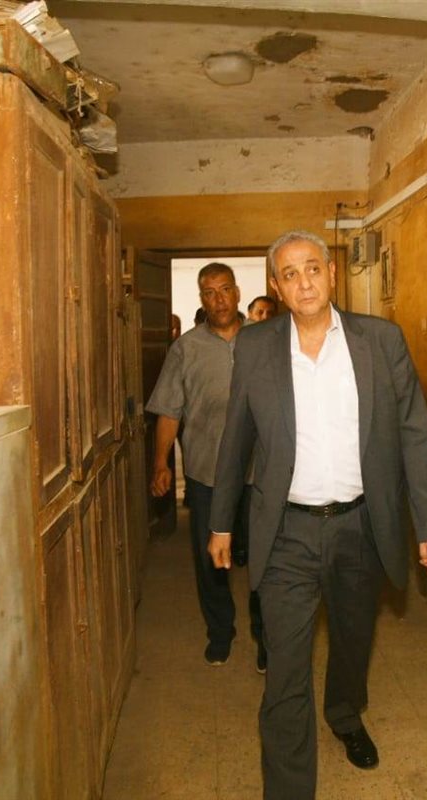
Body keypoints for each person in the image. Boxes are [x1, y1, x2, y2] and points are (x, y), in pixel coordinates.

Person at [208, 231, 427, 799]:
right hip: (285, 531)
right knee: (285, 668)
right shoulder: (256, 346)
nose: (304, 282)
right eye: (290, 274)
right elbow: (236, 437)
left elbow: (414, 432)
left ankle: (344, 713)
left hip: (360, 527)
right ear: (276, 287)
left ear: (332, 273)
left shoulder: (380, 341)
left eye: (313, 268)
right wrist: (220, 521)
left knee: (353, 637)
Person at [146, 263, 264, 670]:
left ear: (237, 293)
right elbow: (169, 410)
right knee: (210, 557)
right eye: (209, 293)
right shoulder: (186, 349)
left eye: (225, 289)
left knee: (265, 558)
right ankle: (220, 632)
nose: (219, 299)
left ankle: (266, 635)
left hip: (259, 472)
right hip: (206, 472)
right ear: (202, 299)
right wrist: (160, 463)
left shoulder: (264, 339)